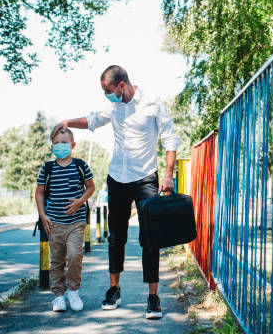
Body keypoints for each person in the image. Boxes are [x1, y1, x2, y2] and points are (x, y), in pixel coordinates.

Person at [53, 65, 181, 320]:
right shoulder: (113, 107)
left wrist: (167, 175)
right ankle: (114, 289)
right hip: (117, 178)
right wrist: (67, 122)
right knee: (116, 237)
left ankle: (153, 296)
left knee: (150, 238)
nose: (106, 96)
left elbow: (169, 138)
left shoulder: (153, 102)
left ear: (122, 85)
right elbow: (91, 120)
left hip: (145, 177)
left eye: (108, 91)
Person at [35, 127, 95, 312]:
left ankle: (73, 291)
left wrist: (80, 202)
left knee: (75, 256)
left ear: (73, 145)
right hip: (54, 223)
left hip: (76, 222)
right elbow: (39, 192)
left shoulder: (80, 165)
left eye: (64, 142)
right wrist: (42, 215)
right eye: (57, 142)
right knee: (57, 261)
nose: (60, 146)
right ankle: (59, 296)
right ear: (52, 145)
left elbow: (91, 187)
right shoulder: (48, 167)